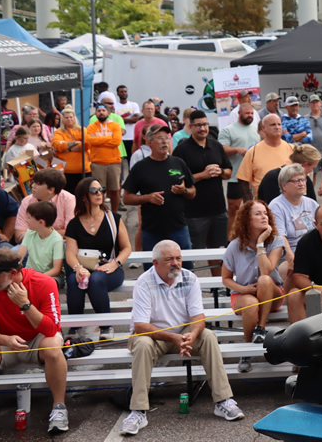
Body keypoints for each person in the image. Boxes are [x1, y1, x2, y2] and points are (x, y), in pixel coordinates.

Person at [122, 240, 244, 436]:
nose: (176, 263)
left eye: (178, 258)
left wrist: (191, 335)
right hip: (153, 335)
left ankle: (223, 401)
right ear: (155, 263)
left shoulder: (190, 278)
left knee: (208, 336)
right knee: (143, 344)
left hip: (182, 333)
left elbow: (198, 318)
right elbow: (141, 326)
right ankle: (138, 411)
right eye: (169, 259)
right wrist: (173, 338)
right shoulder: (144, 282)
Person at [0, 249, 69, 439]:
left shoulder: (44, 282)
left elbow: (52, 329)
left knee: (53, 346)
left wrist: (25, 305)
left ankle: (59, 407)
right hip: (3, 341)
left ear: (12, 273)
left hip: (37, 339)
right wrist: (6, 339)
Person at [222, 200, 291, 373]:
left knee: (264, 280)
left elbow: (266, 270)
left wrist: (260, 243)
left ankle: (260, 328)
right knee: (251, 304)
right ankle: (247, 349)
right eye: (258, 214)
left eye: (265, 213)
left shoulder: (275, 241)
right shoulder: (234, 246)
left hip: (272, 293)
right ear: (246, 219)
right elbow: (226, 279)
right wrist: (243, 289)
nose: (264, 217)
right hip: (244, 293)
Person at [64, 177, 132, 339]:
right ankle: (75, 327)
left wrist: (115, 264)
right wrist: (78, 268)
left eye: (101, 189)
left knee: (96, 279)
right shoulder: (74, 224)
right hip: (84, 267)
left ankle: (106, 326)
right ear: (83, 196)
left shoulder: (113, 219)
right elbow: (70, 254)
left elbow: (127, 248)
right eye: (94, 191)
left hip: (111, 268)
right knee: (74, 280)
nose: (99, 193)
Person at [173, 110, 232, 275]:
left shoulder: (216, 146)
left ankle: (218, 287)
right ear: (190, 127)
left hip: (218, 208)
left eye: (205, 124)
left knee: (215, 250)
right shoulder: (181, 150)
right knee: (190, 252)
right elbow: (178, 180)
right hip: (194, 211)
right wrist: (202, 175)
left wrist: (219, 171)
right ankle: (186, 287)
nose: (202, 128)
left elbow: (229, 172)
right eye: (198, 125)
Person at [122, 127, 197, 255]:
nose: (165, 141)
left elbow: (193, 192)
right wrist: (147, 198)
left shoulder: (178, 163)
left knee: (185, 269)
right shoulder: (141, 167)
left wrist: (184, 191)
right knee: (152, 270)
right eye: (160, 138)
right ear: (149, 142)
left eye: (167, 138)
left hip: (178, 228)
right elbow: (126, 198)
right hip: (151, 230)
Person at [219, 103, 261, 229]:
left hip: (253, 179)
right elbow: (221, 149)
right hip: (235, 177)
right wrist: (237, 149)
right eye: (247, 113)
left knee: (253, 209)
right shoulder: (228, 130)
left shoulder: (256, 131)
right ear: (239, 113)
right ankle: (230, 239)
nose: (250, 116)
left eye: (252, 113)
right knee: (234, 209)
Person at [236, 114, 294, 200]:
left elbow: (303, 177)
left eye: (279, 124)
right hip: (263, 204)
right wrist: (249, 202)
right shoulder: (253, 151)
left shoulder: (292, 149)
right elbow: (243, 180)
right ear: (263, 128)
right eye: (273, 125)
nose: (277, 127)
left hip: (289, 201)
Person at [268, 164, 320, 254]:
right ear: (284, 186)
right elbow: (280, 238)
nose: (301, 184)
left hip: (314, 252)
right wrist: (292, 259)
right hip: (290, 254)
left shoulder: (312, 203)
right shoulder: (276, 206)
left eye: (303, 179)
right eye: (296, 181)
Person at [13, 167, 75, 242]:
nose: (33, 186)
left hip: (58, 243)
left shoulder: (69, 200)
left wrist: (38, 235)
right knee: (13, 251)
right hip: (31, 244)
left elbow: (70, 232)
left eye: (38, 184)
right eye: (33, 182)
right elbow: (19, 235)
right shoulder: (27, 201)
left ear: (51, 190)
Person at [87, 102, 124, 215]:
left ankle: (115, 213)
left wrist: (99, 140)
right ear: (96, 113)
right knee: (99, 190)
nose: (101, 113)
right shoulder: (91, 127)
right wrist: (108, 138)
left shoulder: (115, 125)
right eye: (99, 111)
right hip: (97, 163)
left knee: (115, 189)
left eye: (103, 111)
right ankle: (101, 213)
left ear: (108, 112)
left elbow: (116, 141)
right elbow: (90, 140)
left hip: (114, 162)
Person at [257, 144, 322, 205]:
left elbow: (313, 206)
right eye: (312, 168)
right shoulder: (272, 178)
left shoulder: (306, 180)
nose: (311, 171)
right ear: (305, 165)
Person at [17, 200, 64, 280]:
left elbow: (56, 270)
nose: (26, 220)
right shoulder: (30, 233)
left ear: (41, 222)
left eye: (29, 218)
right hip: (30, 273)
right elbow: (19, 257)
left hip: (49, 276)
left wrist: (36, 278)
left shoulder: (57, 240)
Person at [53, 107, 90, 194]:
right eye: (66, 117)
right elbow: (57, 145)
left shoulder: (82, 130)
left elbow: (87, 144)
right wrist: (77, 143)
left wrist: (67, 148)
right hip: (67, 171)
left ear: (74, 118)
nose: (69, 119)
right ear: (62, 119)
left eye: (71, 117)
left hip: (84, 169)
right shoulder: (58, 132)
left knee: (84, 195)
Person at [115, 85, 142, 157]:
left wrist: (120, 119)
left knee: (132, 158)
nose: (124, 93)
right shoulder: (115, 106)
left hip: (132, 137)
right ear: (117, 93)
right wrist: (130, 119)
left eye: (125, 91)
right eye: (121, 92)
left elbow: (136, 119)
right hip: (120, 138)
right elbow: (114, 121)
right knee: (121, 159)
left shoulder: (133, 105)